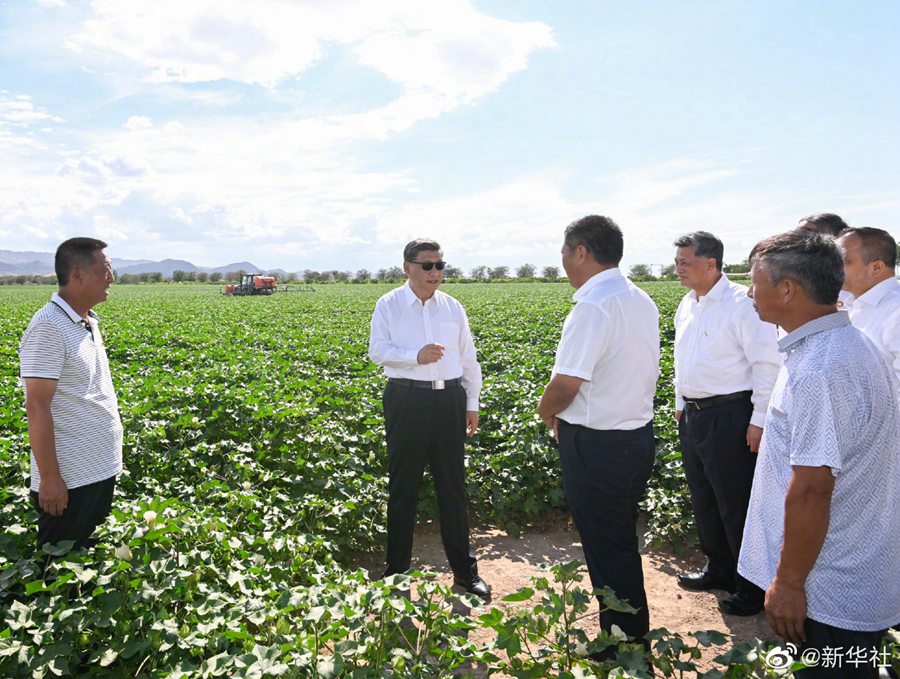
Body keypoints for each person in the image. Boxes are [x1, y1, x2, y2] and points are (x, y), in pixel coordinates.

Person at [739, 230, 900, 678]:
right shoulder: (852, 345)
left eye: (756, 282)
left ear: (787, 289)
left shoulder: (820, 369)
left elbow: (811, 489)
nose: (750, 293)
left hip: (827, 586)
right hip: (853, 565)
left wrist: (789, 583)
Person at [537, 215, 659, 643]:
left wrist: (545, 411)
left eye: (565, 253)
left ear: (582, 252)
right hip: (635, 438)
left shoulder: (593, 305)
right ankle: (628, 629)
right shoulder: (639, 298)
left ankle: (623, 640)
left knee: (607, 547)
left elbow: (566, 384)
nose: (564, 263)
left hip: (597, 445)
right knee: (620, 538)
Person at [368, 239, 489, 598]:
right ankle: (396, 573)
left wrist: (472, 402)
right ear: (407, 267)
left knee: (453, 488)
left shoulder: (453, 308)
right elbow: (378, 351)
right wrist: (414, 356)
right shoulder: (388, 305)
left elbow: (469, 358)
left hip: (450, 400)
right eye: (427, 266)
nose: (435, 272)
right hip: (407, 399)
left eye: (440, 265)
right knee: (403, 487)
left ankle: (465, 572)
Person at [672, 231, 780, 617]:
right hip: (694, 415)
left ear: (711, 263)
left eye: (685, 261)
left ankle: (751, 587)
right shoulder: (688, 304)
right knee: (704, 496)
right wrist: (679, 401)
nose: (678, 267)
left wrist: (759, 419)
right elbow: (681, 358)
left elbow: (766, 363)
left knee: (736, 502)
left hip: (732, 414)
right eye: (677, 260)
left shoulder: (740, 305)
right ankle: (719, 568)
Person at [20, 237, 123, 550]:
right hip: (71, 479)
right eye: (105, 270)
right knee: (58, 573)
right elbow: (37, 406)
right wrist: (50, 479)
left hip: (98, 468)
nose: (112, 278)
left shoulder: (87, 320)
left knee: (86, 565)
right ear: (78, 275)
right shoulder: (48, 326)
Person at [834, 227, 900, 401]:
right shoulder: (851, 305)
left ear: (876, 267)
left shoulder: (896, 311)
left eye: (842, 261)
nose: (833, 268)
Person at [797, 212, 854, 308]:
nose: (796, 237)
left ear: (836, 239)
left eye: (807, 232)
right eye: (796, 232)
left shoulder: (854, 281)